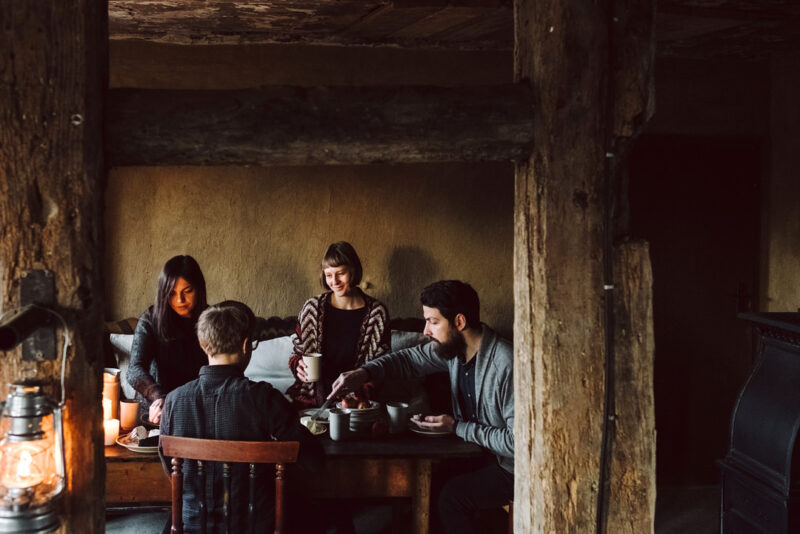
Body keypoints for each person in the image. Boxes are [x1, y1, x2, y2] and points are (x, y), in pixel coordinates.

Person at [329, 280, 513, 534]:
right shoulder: (455, 350)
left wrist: (457, 426)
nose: (426, 330)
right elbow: (408, 359)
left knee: (451, 498)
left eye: (433, 321)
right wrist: (363, 372)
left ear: (459, 322)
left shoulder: (505, 363)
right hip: (479, 455)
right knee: (419, 485)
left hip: (510, 469)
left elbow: (518, 443)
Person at [159, 301, 324, 533]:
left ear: (203, 345)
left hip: (193, 527)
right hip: (255, 526)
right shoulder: (264, 398)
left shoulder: (174, 401)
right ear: (246, 345)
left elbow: (172, 470)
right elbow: (312, 459)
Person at [286, 241, 390, 409]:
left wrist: (355, 396)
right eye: (328, 275)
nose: (334, 281)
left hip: (358, 404)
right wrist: (298, 365)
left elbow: (382, 365)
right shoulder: (312, 308)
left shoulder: (377, 313)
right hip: (312, 399)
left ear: (354, 270)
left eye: (341, 273)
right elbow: (297, 354)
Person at [128, 255, 209, 425]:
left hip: (196, 410)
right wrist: (158, 396)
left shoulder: (210, 319)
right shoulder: (150, 320)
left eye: (187, 291)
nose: (180, 300)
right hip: (156, 413)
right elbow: (134, 369)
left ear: (199, 289)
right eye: (172, 293)